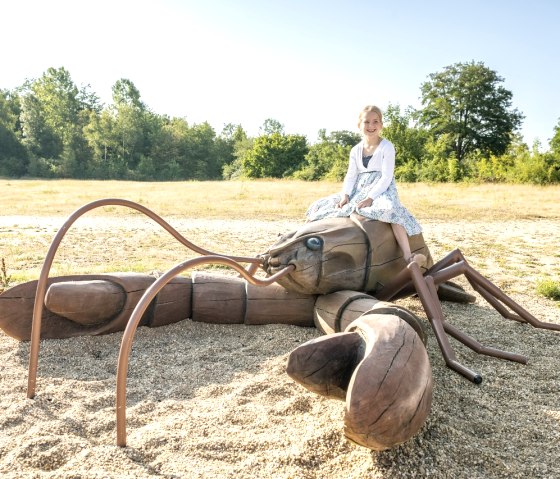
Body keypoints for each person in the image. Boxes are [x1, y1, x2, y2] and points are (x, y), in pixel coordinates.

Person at [306, 105, 424, 264]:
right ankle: (301, 239)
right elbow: (351, 175)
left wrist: (370, 197)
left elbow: (387, 176)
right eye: (366, 122)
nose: (371, 126)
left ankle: (408, 255)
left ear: (381, 125)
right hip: (359, 187)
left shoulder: (387, 147)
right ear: (359, 125)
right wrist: (345, 195)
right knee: (323, 205)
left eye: (375, 122)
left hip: (381, 188)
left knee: (391, 210)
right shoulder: (355, 150)